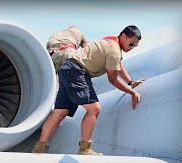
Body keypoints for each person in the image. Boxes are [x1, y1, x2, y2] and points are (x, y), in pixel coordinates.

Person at [32, 25, 145, 155]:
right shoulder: (114, 51)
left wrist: (131, 82)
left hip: (67, 68)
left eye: (134, 46)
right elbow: (113, 79)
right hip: (77, 71)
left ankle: (39, 149)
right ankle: (85, 148)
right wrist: (132, 92)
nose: (131, 48)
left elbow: (118, 64)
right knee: (94, 108)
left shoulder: (110, 41)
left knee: (60, 112)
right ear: (124, 36)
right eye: (131, 44)